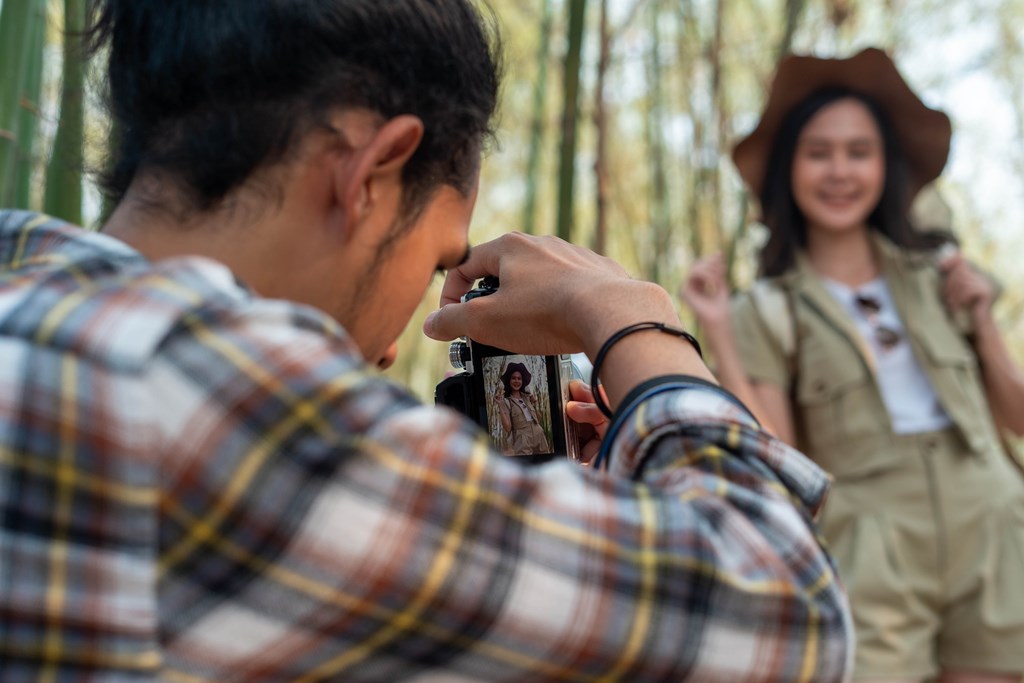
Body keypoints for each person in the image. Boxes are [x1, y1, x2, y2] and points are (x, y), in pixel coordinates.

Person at [0, 1, 852, 680]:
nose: (381, 356)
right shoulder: (210, 396)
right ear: (370, 170)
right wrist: (634, 318)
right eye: (439, 257)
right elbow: (785, 613)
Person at [681, 48, 1024, 683]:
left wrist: (981, 320)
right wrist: (723, 333)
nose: (840, 171)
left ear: (884, 166)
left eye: (858, 152)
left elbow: (1018, 417)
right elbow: (776, 454)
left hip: (994, 522)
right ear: (790, 169)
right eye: (819, 153)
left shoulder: (943, 276)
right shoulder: (767, 309)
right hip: (870, 543)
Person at [494, 361, 552, 455]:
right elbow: (508, 428)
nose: (516, 381)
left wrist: (535, 404)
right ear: (509, 380)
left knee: (546, 463)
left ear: (522, 381)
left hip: (538, 433)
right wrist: (500, 405)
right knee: (525, 466)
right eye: (513, 378)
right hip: (522, 438)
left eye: (519, 378)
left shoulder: (527, 397)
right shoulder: (506, 401)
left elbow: (539, 418)